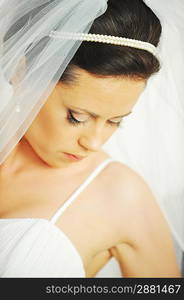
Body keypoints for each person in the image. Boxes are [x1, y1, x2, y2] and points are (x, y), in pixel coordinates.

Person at [0, 0, 181, 277]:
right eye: (78, 117)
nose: (94, 143)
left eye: (115, 122)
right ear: (22, 71)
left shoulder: (121, 195)